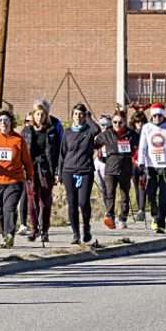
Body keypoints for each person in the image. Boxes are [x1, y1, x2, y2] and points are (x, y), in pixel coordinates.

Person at [0, 109, 33, 248]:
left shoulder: (18, 140)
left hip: (14, 180)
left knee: (9, 207)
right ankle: (5, 235)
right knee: (0, 210)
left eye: (6, 120)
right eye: (0, 120)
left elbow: (27, 161)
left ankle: (10, 235)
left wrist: (29, 176)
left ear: (11, 122)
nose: (3, 123)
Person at [58, 104, 101, 244]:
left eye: (81, 114)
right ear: (72, 116)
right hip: (69, 170)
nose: (78, 116)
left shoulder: (89, 131)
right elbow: (62, 153)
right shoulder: (67, 132)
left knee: (83, 202)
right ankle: (76, 234)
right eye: (76, 114)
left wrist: (88, 117)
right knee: (72, 203)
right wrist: (59, 173)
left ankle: (86, 227)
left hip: (85, 170)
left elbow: (97, 129)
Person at [21, 100, 62, 242]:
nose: (39, 117)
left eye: (42, 114)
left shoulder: (52, 131)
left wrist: (57, 171)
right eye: (37, 114)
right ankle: (34, 229)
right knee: (32, 199)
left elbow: (57, 153)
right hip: (31, 169)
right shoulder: (26, 131)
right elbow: (21, 150)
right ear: (33, 115)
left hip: (46, 169)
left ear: (46, 116)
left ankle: (45, 230)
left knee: (45, 200)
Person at [137, 103, 166, 232]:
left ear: (163, 116)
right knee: (151, 194)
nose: (157, 118)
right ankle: (154, 215)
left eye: (159, 116)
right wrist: (141, 163)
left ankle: (160, 222)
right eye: (154, 116)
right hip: (151, 166)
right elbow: (142, 147)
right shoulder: (147, 128)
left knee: (164, 196)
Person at [94, 110, 139, 230]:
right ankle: (110, 216)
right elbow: (94, 144)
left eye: (120, 122)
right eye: (115, 122)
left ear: (124, 122)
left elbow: (141, 145)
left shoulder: (131, 134)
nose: (117, 125)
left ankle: (123, 218)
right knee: (109, 194)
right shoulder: (107, 134)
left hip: (125, 168)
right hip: (110, 168)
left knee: (124, 195)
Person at [129, 109, 149, 221]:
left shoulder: (147, 133)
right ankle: (139, 207)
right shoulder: (131, 134)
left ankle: (142, 209)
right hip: (133, 163)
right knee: (136, 186)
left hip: (144, 163)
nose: (139, 124)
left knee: (142, 185)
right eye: (137, 122)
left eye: (141, 122)